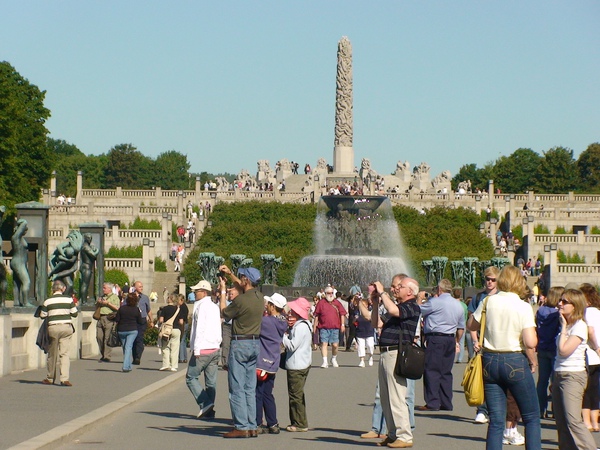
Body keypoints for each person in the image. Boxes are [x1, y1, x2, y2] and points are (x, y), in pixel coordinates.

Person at [467, 265, 541, 450]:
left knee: (496, 420)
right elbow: (530, 342)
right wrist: (533, 361)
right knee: (531, 416)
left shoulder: (488, 302)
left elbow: (471, 325)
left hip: (490, 359)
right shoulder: (523, 306)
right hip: (514, 359)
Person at [368, 275, 421, 448]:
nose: (397, 288)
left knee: (397, 397)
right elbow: (376, 323)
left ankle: (404, 436)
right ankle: (392, 434)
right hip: (384, 353)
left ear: (410, 291)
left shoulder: (411, 306)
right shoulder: (397, 306)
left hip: (396, 353)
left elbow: (393, 312)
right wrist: (375, 302)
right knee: (385, 397)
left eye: (401, 286)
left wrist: (383, 292)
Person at [218, 265, 264, 438]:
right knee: (249, 387)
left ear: (246, 280)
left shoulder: (240, 301)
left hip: (240, 343)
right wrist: (230, 274)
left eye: (241, 277)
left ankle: (241, 426)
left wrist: (223, 292)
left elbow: (224, 313)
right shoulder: (260, 298)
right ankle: (252, 425)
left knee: (236, 387)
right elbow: (244, 286)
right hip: (254, 343)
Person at [552, 288, 598, 449]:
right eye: (560, 300)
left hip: (573, 375)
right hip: (558, 373)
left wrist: (563, 328)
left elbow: (564, 351)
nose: (560, 304)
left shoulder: (579, 326)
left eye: (564, 302)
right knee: (561, 422)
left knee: (573, 420)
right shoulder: (567, 324)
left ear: (575, 305)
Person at [417, 279, 465, 412]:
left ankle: (432, 402)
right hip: (450, 338)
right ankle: (446, 402)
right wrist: (456, 340)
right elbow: (461, 327)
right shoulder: (458, 305)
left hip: (436, 338)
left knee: (432, 370)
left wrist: (420, 298)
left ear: (439, 289)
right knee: (446, 371)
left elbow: (417, 310)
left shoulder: (435, 302)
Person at [468, 265, 500, 424]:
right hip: (481, 342)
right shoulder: (478, 297)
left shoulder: (502, 297)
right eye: (487, 279)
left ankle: (495, 411)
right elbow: (471, 321)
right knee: (482, 378)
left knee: (497, 380)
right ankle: (481, 409)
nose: (490, 282)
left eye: (493, 280)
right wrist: (475, 340)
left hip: (497, 341)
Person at [186, 280, 222, 419]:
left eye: (197, 291)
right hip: (214, 347)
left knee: (191, 377)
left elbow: (200, 328)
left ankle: (205, 403)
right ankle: (209, 410)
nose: (194, 293)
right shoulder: (214, 305)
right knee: (211, 382)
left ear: (204, 292)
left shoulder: (201, 306)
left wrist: (196, 349)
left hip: (203, 348)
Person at [256, 293, 288, 434]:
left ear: (273, 306)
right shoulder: (282, 320)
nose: (266, 305)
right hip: (273, 362)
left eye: (268, 303)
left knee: (258, 393)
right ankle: (273, 423)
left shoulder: (267, 322)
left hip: (262, 360)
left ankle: (257, 423)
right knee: (268, 393)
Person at [282, 297, 313, 432]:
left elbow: (292, 345)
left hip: (297, 365)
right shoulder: (305, 325)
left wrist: (283, 336)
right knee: (298, 394)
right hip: (303, 363)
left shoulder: (300, 327)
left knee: (295, 396)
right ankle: (299, 421)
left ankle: (299, 423)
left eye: (292, 311)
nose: (290, 313)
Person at [40, 280, 78, 386]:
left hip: (53, 328)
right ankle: (64, 378)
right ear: (63, 289)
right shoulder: (68, 299)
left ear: (53, 289)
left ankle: (50, 377)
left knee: (52, 354)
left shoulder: (48, 301)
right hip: (66, 327)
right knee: (64, 354)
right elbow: (74, 314)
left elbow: (43, 315)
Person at [535, 286, 562, 418]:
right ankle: (556, 410)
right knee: (556, 381)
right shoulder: (557, 314)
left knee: (542, 380)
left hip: (542, 346)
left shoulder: (541, 311)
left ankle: (540, 408)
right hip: (555, 348)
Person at [580, 283, 600, 432]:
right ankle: (595, 421)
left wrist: (596, 346)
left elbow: (590, 331)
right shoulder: (598, 312)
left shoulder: (586, 313)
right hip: (597, 357)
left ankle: (587, 422)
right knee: (596, 390)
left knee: (587, 391)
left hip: (589, 354)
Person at [313, 286, 347, 368]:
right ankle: (325, 361)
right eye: (329, 293)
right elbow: (316, 315)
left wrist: (342, 325)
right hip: (323, 327)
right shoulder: (321, 303)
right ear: (325, 294)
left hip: (335, 327)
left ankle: (334, 358)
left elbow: (342, 314)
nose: (331, 294)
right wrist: (315, 326)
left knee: (335, 345)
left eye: (332, 293)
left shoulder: (337, 303)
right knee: (324, 343)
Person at [115, 293, 143, 372]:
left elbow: (117, 319)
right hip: (132, 330)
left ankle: (128, 365)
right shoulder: (136, 309)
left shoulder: (122, 308)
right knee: (128, 347)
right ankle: (126, 366)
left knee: (125, 348)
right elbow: (140, 321)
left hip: (121, 330)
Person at [158, 294, 185, 372]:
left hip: (167, 330)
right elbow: (181, 322)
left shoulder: (165, 309)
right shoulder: (178, 309)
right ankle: (174, 366)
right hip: (176, 329)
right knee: (175, 348)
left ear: (169, 299)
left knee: (165, 347)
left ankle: (166, 364)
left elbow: (161, 320)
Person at [96, 282, 121, 362]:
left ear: (110, 289)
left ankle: (107, 356)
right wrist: (98, 302)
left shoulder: (115, 297)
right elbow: (96, 306)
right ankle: (103, 353)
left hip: (109, 318)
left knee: (107, 337)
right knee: (99, 337)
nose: (103, 289)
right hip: (100, 317)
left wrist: (108, 303)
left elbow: (117, 308)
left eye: (105, 288)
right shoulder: (102, 297)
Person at [132, 281, 153, 365]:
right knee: (133, 339)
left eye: (142, 286)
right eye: (140, 286)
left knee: (139, 338)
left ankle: (138, 357)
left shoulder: (145, 297)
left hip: (142, 320)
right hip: (133, 320)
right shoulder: (130, 297)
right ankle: (134, 357)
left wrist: (151, 320)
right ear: (135, 287)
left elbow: (149, 310)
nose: (141, 288)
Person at [79, 233, 99, 304]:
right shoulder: (85, 247)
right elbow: (93, 255)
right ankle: (84, 301)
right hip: (86, 267)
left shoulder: (86, 246)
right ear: (85, 238)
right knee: (85, 284)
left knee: (85, 284)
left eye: (91, 238)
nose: (90, 239)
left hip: (87, 266)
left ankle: (84, 300)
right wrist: (97, 250)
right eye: (89, 238)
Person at [355, 294, 375, 367]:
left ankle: (370, 356)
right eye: (361, 305)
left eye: (364, 305)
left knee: (370, 345)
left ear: (367, 305)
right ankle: (362, 360)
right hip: (360, 331)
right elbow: (353, 321)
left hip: (369, 331)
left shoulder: (370, 311)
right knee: (361, 346)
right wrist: (355, 319)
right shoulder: (357, 312)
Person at [177, 294, 190, 364]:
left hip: (183, 324)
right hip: (186, 323)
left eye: (178, 300)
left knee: (181, 341)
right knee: (184, 341)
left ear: (181, 300)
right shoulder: (185, 306)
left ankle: (181, 358)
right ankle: (184, 357)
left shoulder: (182, 307)